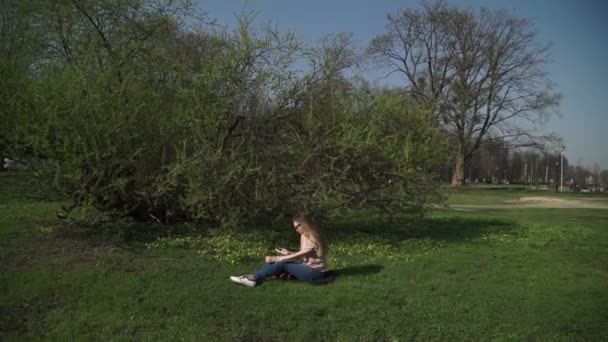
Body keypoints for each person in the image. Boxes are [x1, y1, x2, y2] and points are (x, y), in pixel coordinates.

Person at [230, 212, 328, 287]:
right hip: (307, 268)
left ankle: (252, 279)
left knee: (282, 263)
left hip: (315, 273)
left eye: (298, 226)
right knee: (279, 262)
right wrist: (288, 253)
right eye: (295, 227)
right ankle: (253, 277)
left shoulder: (314, 238)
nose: (296, 229)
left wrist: (276, 258)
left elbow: (300, 255)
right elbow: (303, 257)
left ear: (305, 223)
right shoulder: (303, 236)